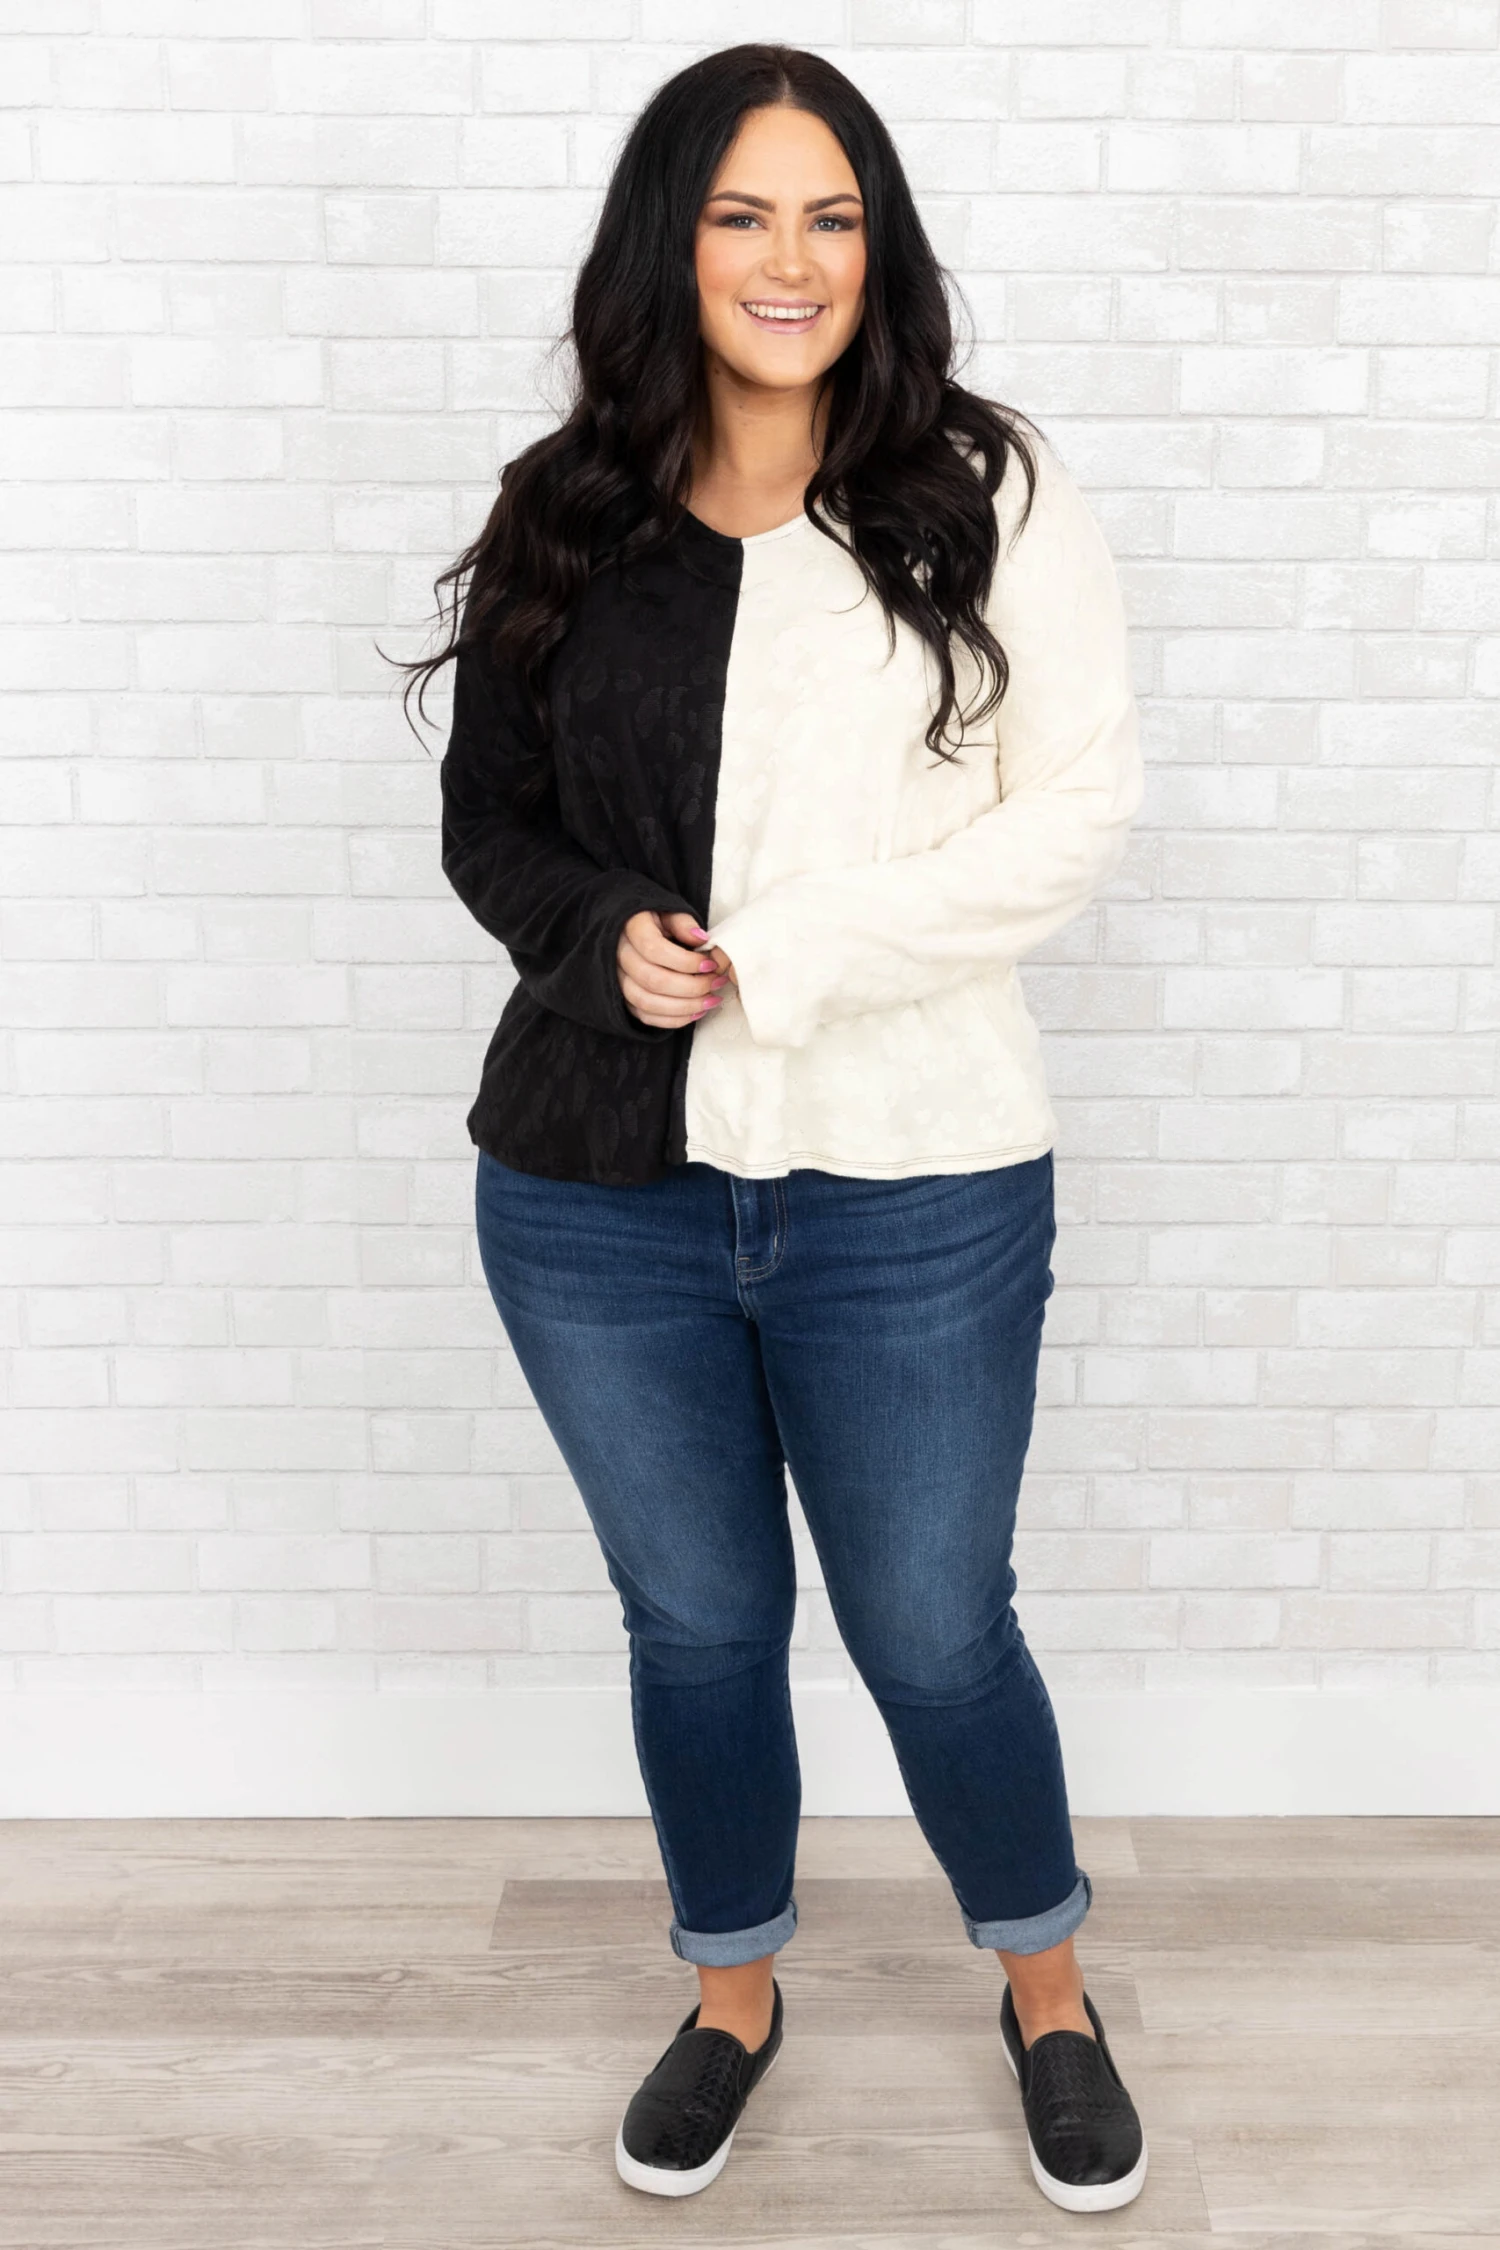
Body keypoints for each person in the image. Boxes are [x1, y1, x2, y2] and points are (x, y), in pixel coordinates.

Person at [413, 41, 1147, 2217]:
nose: (791, 258)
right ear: (673, 242)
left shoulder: (987, 488)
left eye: (832, 214)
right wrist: (600, 938)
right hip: (595, 1193)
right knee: (701, 1626)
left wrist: (785, 953)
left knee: (931, 1629)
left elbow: (1075, 815)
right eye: (742, 213)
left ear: (878, 245)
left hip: (916, 1180)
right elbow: (492, 823)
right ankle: (732, 1994)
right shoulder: (570, 506)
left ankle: (1047, 1988)